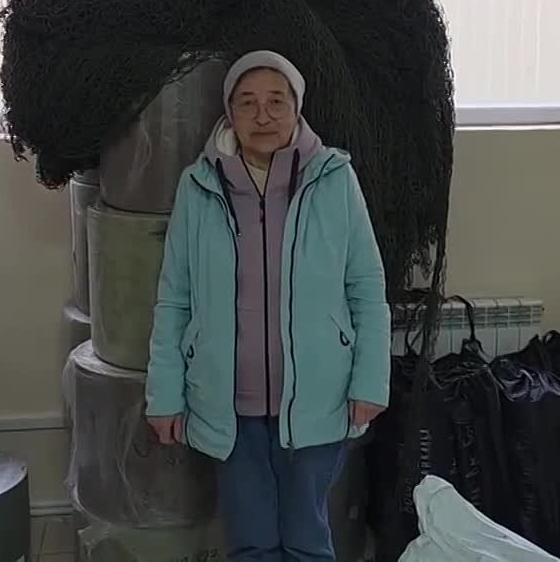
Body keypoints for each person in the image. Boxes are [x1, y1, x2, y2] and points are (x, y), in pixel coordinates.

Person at [146, 50, 391, 561]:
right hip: (228, 404)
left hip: (318, 399)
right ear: (229, 113)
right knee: (252, 542)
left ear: (297, 109)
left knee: (307, 540)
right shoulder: (199, 185)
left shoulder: (334, 179)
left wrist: (370, 382)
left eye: (276, 101)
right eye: (248, 102)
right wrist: (164, 394)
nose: (263, 115)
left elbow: (366, 288)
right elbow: (174, 298)